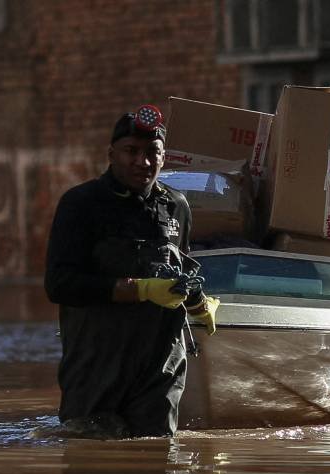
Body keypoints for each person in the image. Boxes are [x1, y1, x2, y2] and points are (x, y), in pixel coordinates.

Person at [44, 104, 220, 437]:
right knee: (92, 468)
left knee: (161, 468)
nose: (143, 161)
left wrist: (197, 301)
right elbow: (59, 285)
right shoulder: (81, 204)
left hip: (161, 367)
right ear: (111, 154)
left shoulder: (176, 206)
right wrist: (138, 289)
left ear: (164, 157)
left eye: (153, 152)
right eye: (131, 151)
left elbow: (178, 267)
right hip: (96, 366)